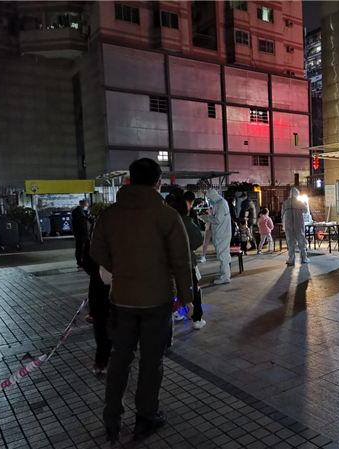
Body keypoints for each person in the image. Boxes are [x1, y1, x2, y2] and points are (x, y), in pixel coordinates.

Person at [90, 158, 193, 442]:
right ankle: (146, 417)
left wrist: (120, 268)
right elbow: (181, 261)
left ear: (128, 181)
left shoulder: (110, 215)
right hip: (157, 301)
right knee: (151, 361)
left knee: (119, 359)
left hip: (121, 300)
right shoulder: (167, 216)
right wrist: (186, 298)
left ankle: (112, 419)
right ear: (159, 183)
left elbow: (96, 251)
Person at [171, 196, 206, 330]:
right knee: (193, 290)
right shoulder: (186, 222)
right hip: (187, 263)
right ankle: (197, 318)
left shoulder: (165, 221)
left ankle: (177, 312)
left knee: (173, 289)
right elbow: (197, 241)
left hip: (168, 264)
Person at [82, 232, 111, 374]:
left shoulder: (92, 240)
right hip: (119, 289)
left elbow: (86, 264)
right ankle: (120, 357)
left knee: (101, 327)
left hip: (98, 289)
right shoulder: (123, 236)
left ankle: (101, 362)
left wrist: (96, 273)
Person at [200, 189, 232, 284]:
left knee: (223, 256)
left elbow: (218, 220)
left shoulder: (221, 204)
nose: (209, 201)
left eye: (209, 199)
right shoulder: (219, 203)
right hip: (220, 233)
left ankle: (225, 277)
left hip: (222, 234)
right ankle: (224, 274)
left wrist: (206, 217)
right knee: (222, 255)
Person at [281, 187, 309, 265]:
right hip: (299, 224)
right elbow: (306, 211)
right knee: (301, 240)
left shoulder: (285, 202)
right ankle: (303, 258)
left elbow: (282, 214)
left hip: (288, 224)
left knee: (290, 241)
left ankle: (291, 259)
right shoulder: (300, 202)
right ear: (297, 194)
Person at [71, 199, 91, 267]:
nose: (86, 207)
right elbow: (79, 221)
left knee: (86, 247)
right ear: (81, 204)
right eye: (85, 205)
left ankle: (85, 260)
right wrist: (86, 216)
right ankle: (79, 261)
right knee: (80, 247)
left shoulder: (84, 212)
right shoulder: (76, 212)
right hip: (80, 232)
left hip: (86, 232)